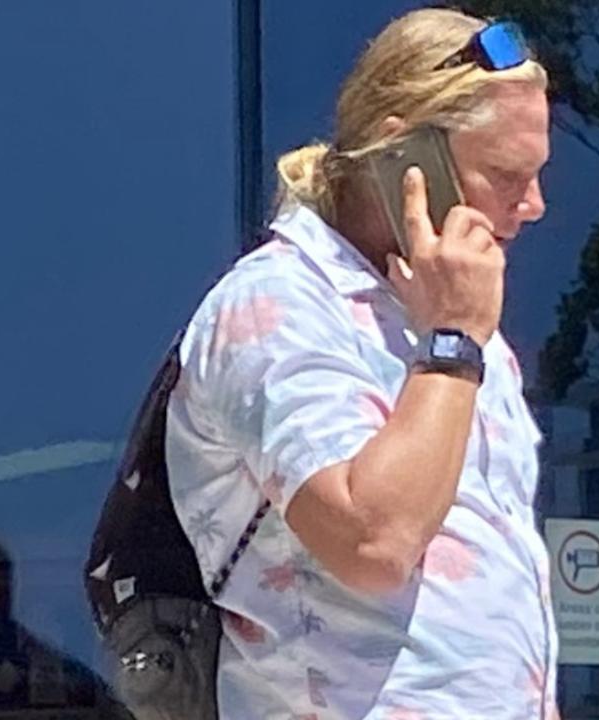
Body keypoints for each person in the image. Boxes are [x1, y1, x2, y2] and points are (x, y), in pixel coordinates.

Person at [166, 8, 557, 719]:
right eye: (506, 174)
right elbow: (373, 543)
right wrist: (451, 345)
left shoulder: (460, 327)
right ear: (404, 156)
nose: (533, 206)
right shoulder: (277, 306)